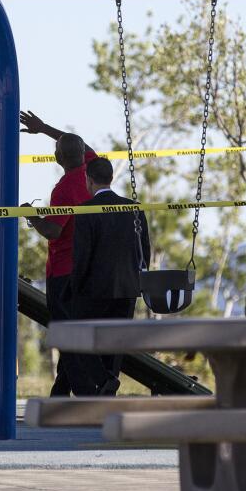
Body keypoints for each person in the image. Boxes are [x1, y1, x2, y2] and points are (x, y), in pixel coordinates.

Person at [19, 110, 98, 396]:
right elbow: (78, 144)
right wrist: (44, 129)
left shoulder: (65, 189)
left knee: (65, 333)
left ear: (58, 159)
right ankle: (60, 393)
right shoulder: (92, 170)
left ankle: (87, 393)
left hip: (63, 270)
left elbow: (53, 231)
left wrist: (33, 217)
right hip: (87, 269)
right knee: (72, 330)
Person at [70, 156, 150, 396]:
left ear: (89, 180)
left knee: (80, 338)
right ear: (111, 178)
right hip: (127, 287)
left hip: (95, 288)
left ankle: (104, 379)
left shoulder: (85, 211)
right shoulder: (133, 209)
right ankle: (110, 383)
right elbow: (144, 249)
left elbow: (82, 255)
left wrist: (75, 286)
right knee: (115, 342)